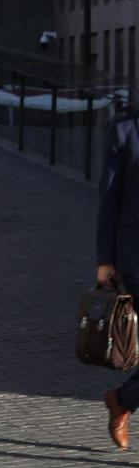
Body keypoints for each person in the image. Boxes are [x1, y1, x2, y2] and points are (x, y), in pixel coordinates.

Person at [99, 107, 139, 449]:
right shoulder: (124, 131)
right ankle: (122, 401)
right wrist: (104, 259)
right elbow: (109, 199)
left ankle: (123, 399)